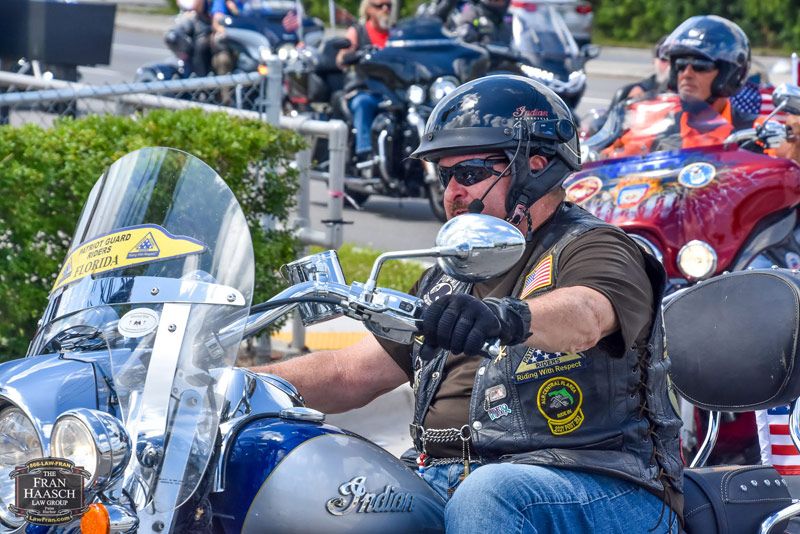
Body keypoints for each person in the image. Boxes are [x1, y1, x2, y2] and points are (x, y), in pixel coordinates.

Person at [252, 74, 683, 533]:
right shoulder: (448, 273)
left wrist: (506, 317)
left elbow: (586, 315)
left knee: (490, 494)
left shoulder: (595, 247)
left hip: (598, 483)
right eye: (445, 175)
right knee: (323, 493)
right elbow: (351, 372)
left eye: (470, 174)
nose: (452, 191)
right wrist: (232, 384)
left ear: (535, 167)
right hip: (445, 478)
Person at [602, 15, 757, 158]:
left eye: (700, 66)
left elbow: (781, 163)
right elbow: (611, 161)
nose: (686, 74)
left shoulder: (755, 131)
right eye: (681, 65)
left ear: (728, 73)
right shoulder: (657, 125)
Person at [336, 0, 394, 165]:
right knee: (363, 103)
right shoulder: (358, 31)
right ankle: (364, 153)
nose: (385, 9)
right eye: (380, 5)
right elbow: (340, 59)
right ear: (368, 9)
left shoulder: (396, 32)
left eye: (388, 5)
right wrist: (353, 56)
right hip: (364, 89)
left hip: (391, 91)